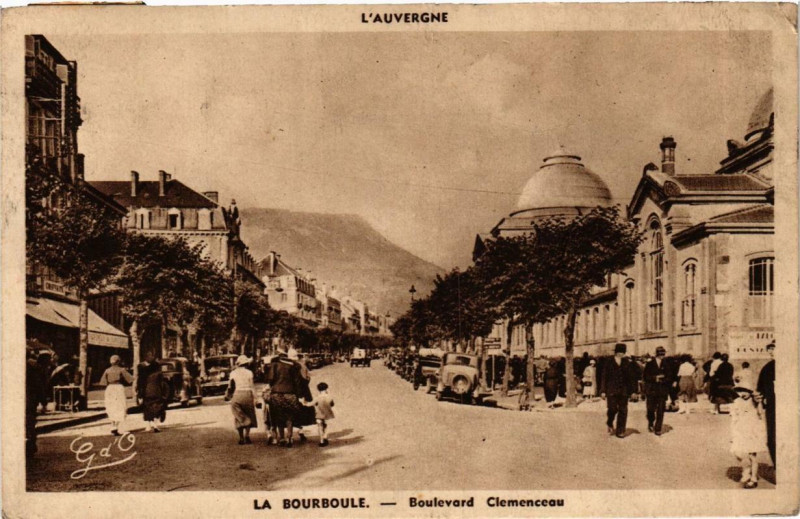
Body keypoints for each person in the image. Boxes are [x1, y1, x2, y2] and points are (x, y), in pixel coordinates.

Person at [729, 384, 767, 489]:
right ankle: (746, 471)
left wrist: (759, 403)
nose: (742, 394)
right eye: (739, 391)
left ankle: (753, 478)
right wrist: (733, 433)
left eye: (744, 391)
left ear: (750, 391)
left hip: (752, 431)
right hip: (740, 430)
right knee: (737, 451)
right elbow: (734, 417)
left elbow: (760, 414)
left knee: (752, 456)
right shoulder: (737, 402)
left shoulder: (754, 401)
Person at [265, 348, 303, 447]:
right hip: (290, 393)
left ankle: (281, 438)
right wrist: (299, 395)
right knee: (289, 417)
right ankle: (289, 437)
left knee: (278, 416)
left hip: (277, 393)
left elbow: (270, 379)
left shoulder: (274, 365)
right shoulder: (293, 366)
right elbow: (297, 382)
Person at [601, 343, 638, 438]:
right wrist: (603, 391)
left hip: (624, 391)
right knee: (612, 409)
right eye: (620, 352)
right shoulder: (608, 362)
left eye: (623, 352)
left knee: (623, 410)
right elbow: (604, 377)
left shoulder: (627, 363)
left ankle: (620, 431)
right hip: (611, 390)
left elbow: (632, 378)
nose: (622, 354)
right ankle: (610, 421)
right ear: (616, 352)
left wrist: (634, 391)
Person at [225, 355, 258, 445]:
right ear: (246, 364)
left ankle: (241, 438)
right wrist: (256, 398)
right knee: (249, 414)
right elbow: (252, 386)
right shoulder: (249, 372)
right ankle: (247, 436)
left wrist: (227, 395)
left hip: (237, 394)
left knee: (238, 416)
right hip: (247, 394)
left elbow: (230, 386)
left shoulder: (233, 373)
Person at [99, 355, 133, 436]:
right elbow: (130, 379)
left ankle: (112, 426)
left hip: (110, 389)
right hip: (118, 388)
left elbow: (103, 382)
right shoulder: (121, 370)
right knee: (120, 407)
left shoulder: (107, 370)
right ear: (119, 361)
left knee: (111, 407)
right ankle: (117, 427)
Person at [643, 346, 672, 435]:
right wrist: (655, 378)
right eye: (660, 354)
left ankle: (658, 428)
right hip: (651, 390)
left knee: (660, 410)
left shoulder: (666, 364)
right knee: (650, 409)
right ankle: (651, 422)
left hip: (662, 390)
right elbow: (645, 376)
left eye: (663, 354)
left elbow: (670, 376)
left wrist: (663, 379)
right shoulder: (650, 364)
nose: (662, 356)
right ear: (656, 354)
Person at [756, 341, 776, 468]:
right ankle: (779, 468)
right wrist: (758, 398)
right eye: (769, 348)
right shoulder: (767, 368)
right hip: (772, 410)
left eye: (773, 348)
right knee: (772, 440)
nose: (770, 351)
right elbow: (760, 390)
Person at [138, 353, 168, 432]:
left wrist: (139, 394)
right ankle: (155, 424)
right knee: (157, 407)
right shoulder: (159, 374)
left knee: (147, 407)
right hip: (157, 392)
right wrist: (164, 394)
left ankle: (148, 425)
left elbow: (140, 383)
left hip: (146, 392)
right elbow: (162, 384)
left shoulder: (143, 374)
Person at [26, 350, 48, 457]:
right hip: (29, 401)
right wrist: (43, 401)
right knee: (29, 424)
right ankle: (29, 446)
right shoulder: (34, 368)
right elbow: (39, 386)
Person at [304, 382, 335, 447]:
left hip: (319, 414)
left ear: (319, 389)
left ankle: (321, 441)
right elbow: (332, 404)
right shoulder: (329, 396)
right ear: (326, 388)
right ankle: (325, 437)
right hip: (328, 414)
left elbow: (309, 404)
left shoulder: (317, 397)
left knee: (320, 427)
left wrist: (303, 402)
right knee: (326, 426)